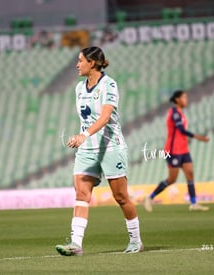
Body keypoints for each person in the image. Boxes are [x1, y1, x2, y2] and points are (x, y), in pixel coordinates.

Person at [55, 47, 143, 256]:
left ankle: (136, 240)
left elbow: (104, 118)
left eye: (80, 61)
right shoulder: (78, 88)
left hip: (111, 147)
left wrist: (83, 135)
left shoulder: (109, 85)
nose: (77, 65)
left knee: (121, 197)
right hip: (87, 150)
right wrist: (83, 138)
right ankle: (76, 244)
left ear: (92, 63)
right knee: (81, 193)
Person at [144, 91, 210, 212]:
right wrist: (198, 137)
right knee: (172, 179)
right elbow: (181, 129)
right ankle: (150, 197)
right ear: (177, 99)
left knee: (190, 174)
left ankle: (193, 203)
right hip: (173, 150)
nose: (186, 99)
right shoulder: (174, 113)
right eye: (184, 97)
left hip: (184, 149)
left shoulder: (181, 113)